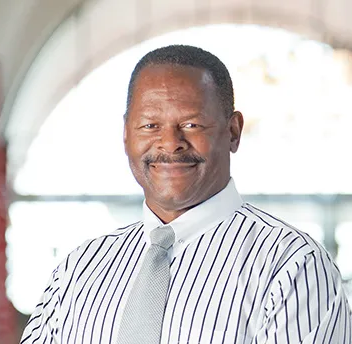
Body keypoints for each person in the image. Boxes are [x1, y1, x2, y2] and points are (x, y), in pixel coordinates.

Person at [20, 45, 351, 344]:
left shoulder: (292, 266)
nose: (169, 143)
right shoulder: (80, 269)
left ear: (233, 132)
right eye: (150, 126)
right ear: (125, 134)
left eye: (191, 125)